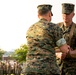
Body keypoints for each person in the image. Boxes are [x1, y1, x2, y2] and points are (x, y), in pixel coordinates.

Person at [25, 4, 70, 75]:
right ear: (49, 14)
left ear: (38, 15)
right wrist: (66, 47)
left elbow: (38, 47)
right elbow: (64, 49)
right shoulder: (54, 28)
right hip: (48, 69)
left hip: (29, 69)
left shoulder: (30, 29)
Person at [56, 3, 76, 75]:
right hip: (57, 67)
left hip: (72, 69)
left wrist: (70, 53)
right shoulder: (55, 28)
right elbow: (49, 47)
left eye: (68, 14)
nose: (65, 16)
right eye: (64, 14)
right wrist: (58, 54)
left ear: (73, 15)